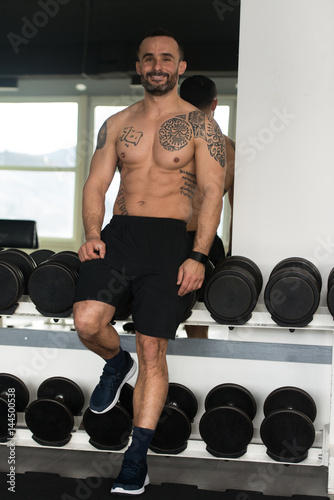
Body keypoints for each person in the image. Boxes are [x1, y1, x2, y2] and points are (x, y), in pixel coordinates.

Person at [73, 29, 226, 495]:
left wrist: (198, 255)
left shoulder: (202, 127)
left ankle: (135, 460)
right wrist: (94, 235)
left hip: (170, 242)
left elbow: (212, 191)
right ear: (139, 67)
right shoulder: (117, 123)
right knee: (86, 320)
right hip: (121, 236)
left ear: (180, 67)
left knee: (153, 350)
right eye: (148, 59)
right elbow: (96, 184)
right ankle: (114, 364)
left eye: (166, 58)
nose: (157, 65)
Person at [180, 75, 235, 339]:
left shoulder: (165, 142)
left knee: (152, 318)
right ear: (214, 104)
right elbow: (239, 213)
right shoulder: (230, 149)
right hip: (208, 243)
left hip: (169, 236)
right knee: (200, 322)